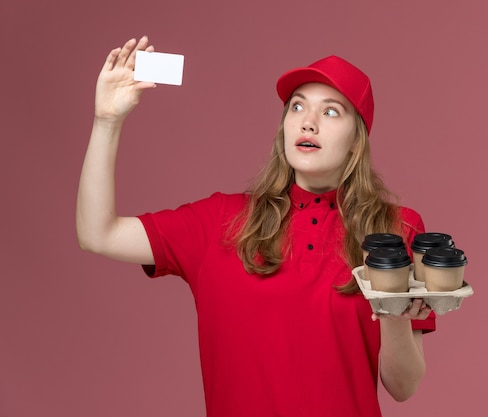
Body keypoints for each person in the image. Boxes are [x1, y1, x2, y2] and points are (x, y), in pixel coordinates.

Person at [77, 36, 436, 417]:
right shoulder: (220, 220)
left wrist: (393, 310)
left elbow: (403, 386)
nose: (308, 122)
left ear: (356, 141)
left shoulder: (396, 230)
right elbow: (97, 233)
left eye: (331, 112)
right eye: (297, 107)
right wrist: (106, 122)